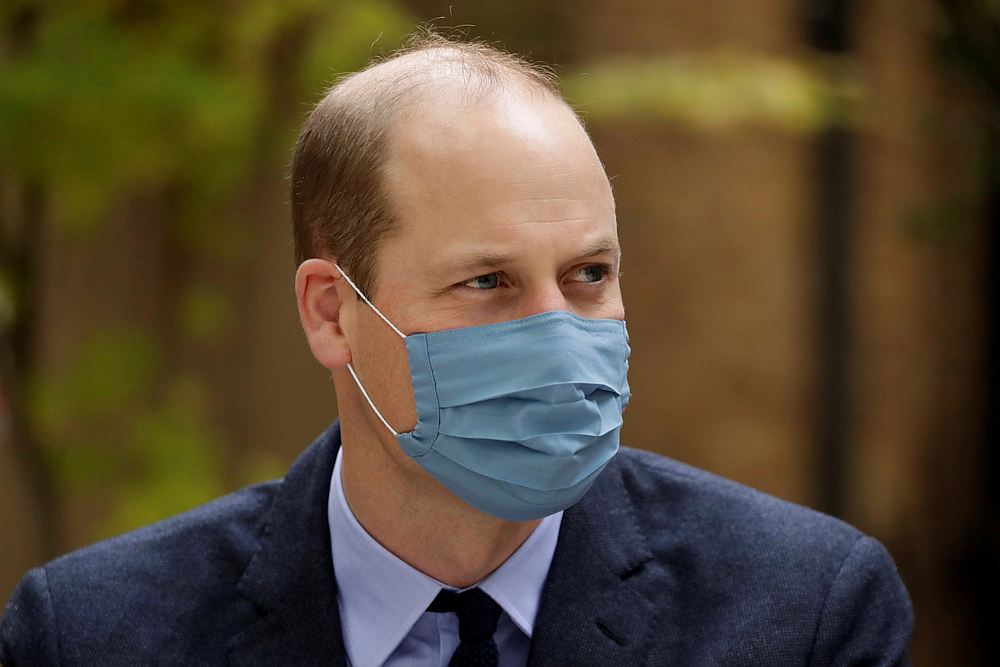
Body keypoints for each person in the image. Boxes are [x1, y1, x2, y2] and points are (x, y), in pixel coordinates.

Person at [0, 34, 912, 665]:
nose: (559, 331)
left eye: (590, 273)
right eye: (488, 283)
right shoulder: (89, 634)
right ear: (331, 313)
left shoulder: (807, 612)